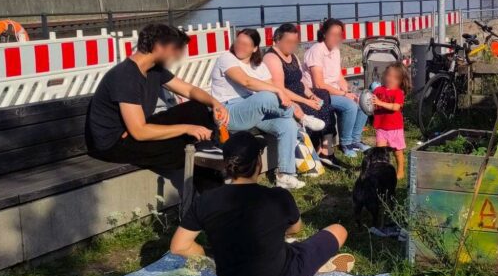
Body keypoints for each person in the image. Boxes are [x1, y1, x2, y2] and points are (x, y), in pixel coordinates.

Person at [170, 133, 354, 276]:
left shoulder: (205, 200)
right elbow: (296, 229)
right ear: (258, 163)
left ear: (226, 164)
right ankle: (315, 267)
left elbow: (179, 247)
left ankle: (308, 263)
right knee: (338, 230)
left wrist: (212, 256)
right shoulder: (278, 196)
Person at [86, 23, 228, 191]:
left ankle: (220, 149)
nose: (177, 54)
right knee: (183, 148)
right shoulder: (125, 76)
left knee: (197, 108)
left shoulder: (154, 70)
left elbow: (189, 90)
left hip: (134, 130)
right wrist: (187, 128)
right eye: (174, 48)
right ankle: (214, 198)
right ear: (159, 46)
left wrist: (215, 103)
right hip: (113, 144)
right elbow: (139, 131)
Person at [210, 28, 304, 190]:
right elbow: (246, 82)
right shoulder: (227, 58)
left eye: (246, 44)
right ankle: (303, 119)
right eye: (238, 42)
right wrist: (279, 92)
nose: (240, 46)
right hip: (230, 112)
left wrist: (281, 94)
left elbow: (270, 86)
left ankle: (285, 175)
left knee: (287, 124)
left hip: (254, 111)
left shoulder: (258, 66)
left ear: (254, 48)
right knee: (265, 96)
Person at [262, 23, 336, 163]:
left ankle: (325, 150)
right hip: (286, 99)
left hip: (301, 95)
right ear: (277, 41)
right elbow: (280, 89)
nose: (292, 45)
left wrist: (311, 95)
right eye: (288, 42)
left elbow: (300, 81)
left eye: (295, 42)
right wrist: (306, 101)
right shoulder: (272, 58)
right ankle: (315, 151)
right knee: (316, 110)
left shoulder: (292, 56)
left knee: (325, 102)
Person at [302, 18, 368, 158]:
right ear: (324, 34)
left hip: (334, 90)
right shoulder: (317, 51)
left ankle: (356, 139)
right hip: (319, 93)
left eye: (339, 35)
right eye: (333, 34)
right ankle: (346, 143)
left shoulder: (336, 51)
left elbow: (338, 76)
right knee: (349, 105)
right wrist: (344, 94)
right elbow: (319, 84)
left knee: (362, 100)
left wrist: (349, 92)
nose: (336, 38)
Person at [371, 62, 411, 181]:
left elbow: (396, 107)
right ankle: (381, 172)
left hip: (395, 128)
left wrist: (380, 103)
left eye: (395, 77)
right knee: (380, 152)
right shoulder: (378, 90)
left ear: (401, 81)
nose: (390, 79)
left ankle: (400, 170)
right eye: (388, 75)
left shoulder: (398, 92)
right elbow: (370, 103)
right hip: (381, 127)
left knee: (397, 152)